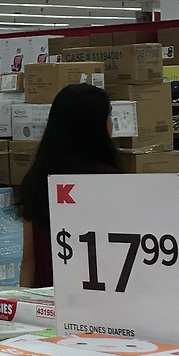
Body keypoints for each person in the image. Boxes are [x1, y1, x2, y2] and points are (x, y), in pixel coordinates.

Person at [16, 82, 120, 286]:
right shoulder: (107, 180)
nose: (112, 122)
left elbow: (28, 260)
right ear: (95, 124)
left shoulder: (38, 179)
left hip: (46, 298)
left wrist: (24, 300)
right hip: (94, 296)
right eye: (109, 114)